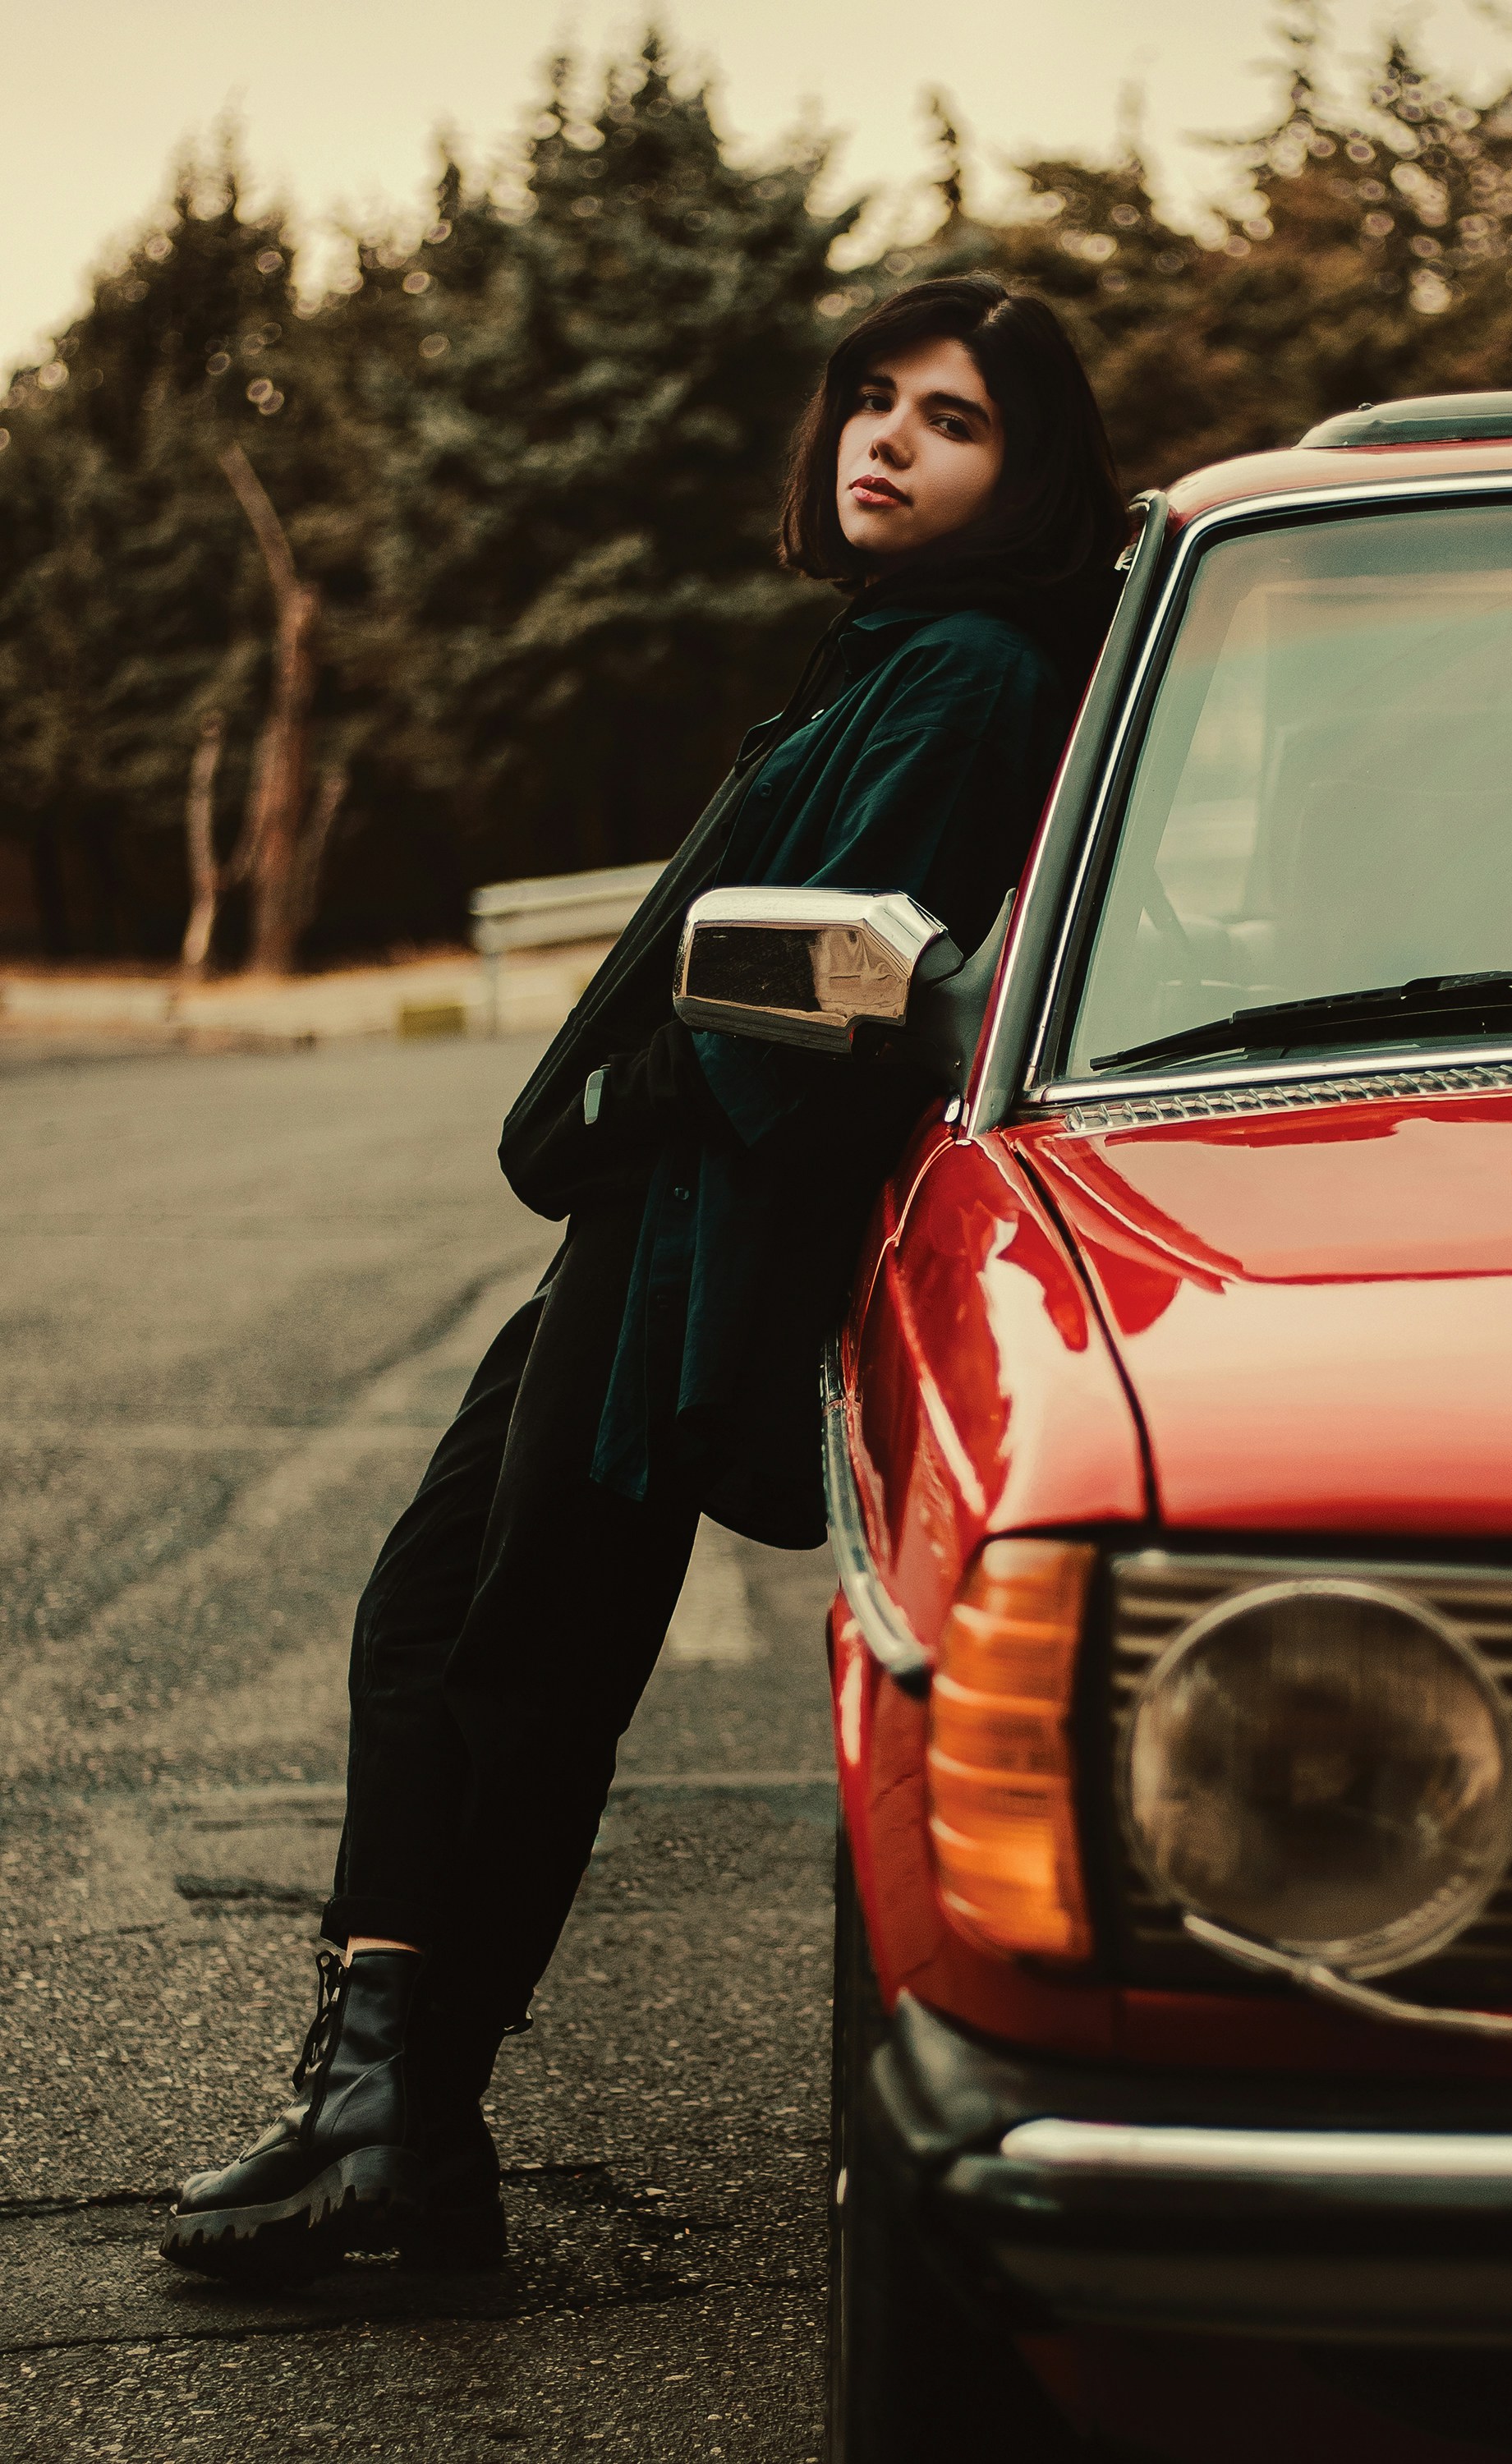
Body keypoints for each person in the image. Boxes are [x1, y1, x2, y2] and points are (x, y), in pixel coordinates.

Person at [160, 275, 1127, 2280]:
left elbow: (837, 986)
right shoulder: (885, 653)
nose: (886, 440)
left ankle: (408, 2144)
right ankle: (370, 2098)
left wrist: (616, 1097)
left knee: (522, 1661)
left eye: (951, 421)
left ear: (1025, 472)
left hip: (710, 1232)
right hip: (656, 1219)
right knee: (436, 1610)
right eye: (871, 400)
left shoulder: (964, 670)